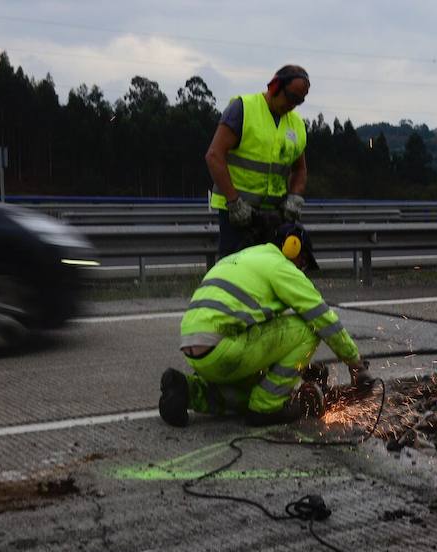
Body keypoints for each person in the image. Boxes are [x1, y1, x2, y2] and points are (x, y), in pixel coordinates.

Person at [158, 223, 373, 427]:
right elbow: (323, 317)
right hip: (225, 346)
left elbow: (262, 333)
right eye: (304, 261)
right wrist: (356, 365)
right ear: (292, 247)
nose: (303, 269)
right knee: (309, 328)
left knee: (251, 390)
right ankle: (266, 407)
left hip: (199, 352)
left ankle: (186, 390)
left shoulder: (246, 257)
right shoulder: (280, 266)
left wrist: (303, 367)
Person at [205, 65, 310, 259]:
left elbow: (300, 170)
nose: (292, 105)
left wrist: (294, 198)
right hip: (237, 215)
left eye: (299, 101)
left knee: (271, 275)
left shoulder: (296, 125)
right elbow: (214, 155)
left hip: (275, 216)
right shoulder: (243, 109)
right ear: (275, 86)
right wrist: (234, 202)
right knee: (235, 273)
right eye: (290, 97)